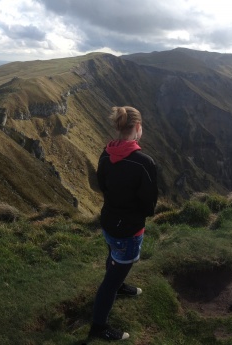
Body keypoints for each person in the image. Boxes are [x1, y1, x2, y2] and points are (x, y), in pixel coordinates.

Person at [89, 106, 161, 341]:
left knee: (114, 256)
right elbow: (149, 202)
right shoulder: (144, 163)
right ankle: (98, 327)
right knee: (111, 279)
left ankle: (119, 285)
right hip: (129, 228)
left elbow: (102, 184)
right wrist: (137, 214)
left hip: (109, 220)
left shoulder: (105, 154)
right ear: (138, 128)